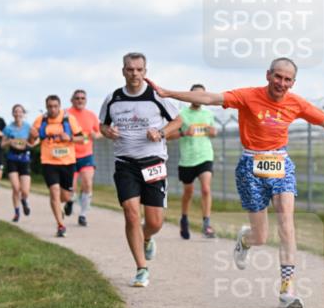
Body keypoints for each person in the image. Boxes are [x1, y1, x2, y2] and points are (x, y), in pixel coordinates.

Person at [151, 57, 324, 308]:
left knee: (287, 220)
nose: (282, 83)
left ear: (293, 83)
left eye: (287, 79)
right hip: (250, 167)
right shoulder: (247, 96)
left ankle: (287, 289)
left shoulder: (295, 103)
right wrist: (167, 92)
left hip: (280, 164)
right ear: (268, 75)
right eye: (278, 76)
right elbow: (210, 98)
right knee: (261, 236)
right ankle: (246, 239)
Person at [99, 52, 181, 288]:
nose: (134, 73)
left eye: (139, 69)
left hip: (153, 161)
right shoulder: (113, 98)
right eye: (130, 69)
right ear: (123, 71)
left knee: (155, 222)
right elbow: (102, 125)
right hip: (125, 162)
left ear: (145, 72)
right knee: (131, 213)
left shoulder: (156, 96)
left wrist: (161, 133)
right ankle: (141, 268)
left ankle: (146, 236)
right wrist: (108, 132)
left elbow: (178, 121)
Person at [28, 95, 83, 237]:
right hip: (48, 161)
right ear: (46, 107)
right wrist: (32, 135)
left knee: (64, 196)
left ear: (59, 106)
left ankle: (68, 201)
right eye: (50, 106)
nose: (52, 109)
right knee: (54, 191)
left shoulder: (69, 119)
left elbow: (83, 138)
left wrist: (69, 138)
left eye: (55, 106)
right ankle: (60, 225)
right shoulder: (41, 120)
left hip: (67, 162)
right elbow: (31, 141)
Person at [172, 84, 217, 239]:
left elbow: (212, 132)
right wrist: (184, 133)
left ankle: (207, 223)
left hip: (205, 156)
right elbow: (169, 134)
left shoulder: (208, 114)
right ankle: (184, 218)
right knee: (188, 192)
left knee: (206, 188)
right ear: (190, 96)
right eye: (196, 95)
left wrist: (213, 132)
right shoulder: (182, 114)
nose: (199, 99)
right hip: (187, 160)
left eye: (202, 96)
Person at [68, 89, 102, 226]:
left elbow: (100, 132)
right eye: (77, 98)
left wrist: (96, 135)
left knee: (87, 182)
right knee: (70, 187)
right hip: (69, 156)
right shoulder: (66, 114)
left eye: (82, 98)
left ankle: (83, 214)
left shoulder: (91, 115)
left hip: (87, 155)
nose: (80, 100)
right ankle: (70, 200)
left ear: (86, 100)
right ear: (72, 100)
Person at [2, 104, 32, 223]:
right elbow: (1, 144)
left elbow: (33, 141)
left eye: (20, 112)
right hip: (12, 159)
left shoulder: (28, 127)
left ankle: (24, 201)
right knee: (16, 188)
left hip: (24, 159)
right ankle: (16, 212)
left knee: (25, 191)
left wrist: (29, 143)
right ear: (13, 114)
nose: (18, 114)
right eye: (16, 111)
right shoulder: (8, 128)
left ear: (23, 114)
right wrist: (9, 141)